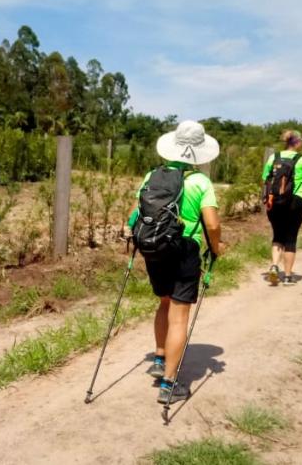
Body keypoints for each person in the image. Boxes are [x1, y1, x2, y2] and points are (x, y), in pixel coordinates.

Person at [129, 120, 221, 404]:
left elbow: (135, 215)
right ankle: (170, 384)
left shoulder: (151, 176)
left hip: (154, 248)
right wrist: (217, 248)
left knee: (164, 302)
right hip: (185, 250)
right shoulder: (200, 182)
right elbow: (212, 224)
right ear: (198, 153)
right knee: (179, 315)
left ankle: (159, 357)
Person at [262, 129, 302, 285]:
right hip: (296, 201)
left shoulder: (274, 157)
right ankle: (287, 276)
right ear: (298, 142)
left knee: (277, 235)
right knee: (291, 238)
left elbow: (265, 179)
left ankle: (274, 266)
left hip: (275, 201)